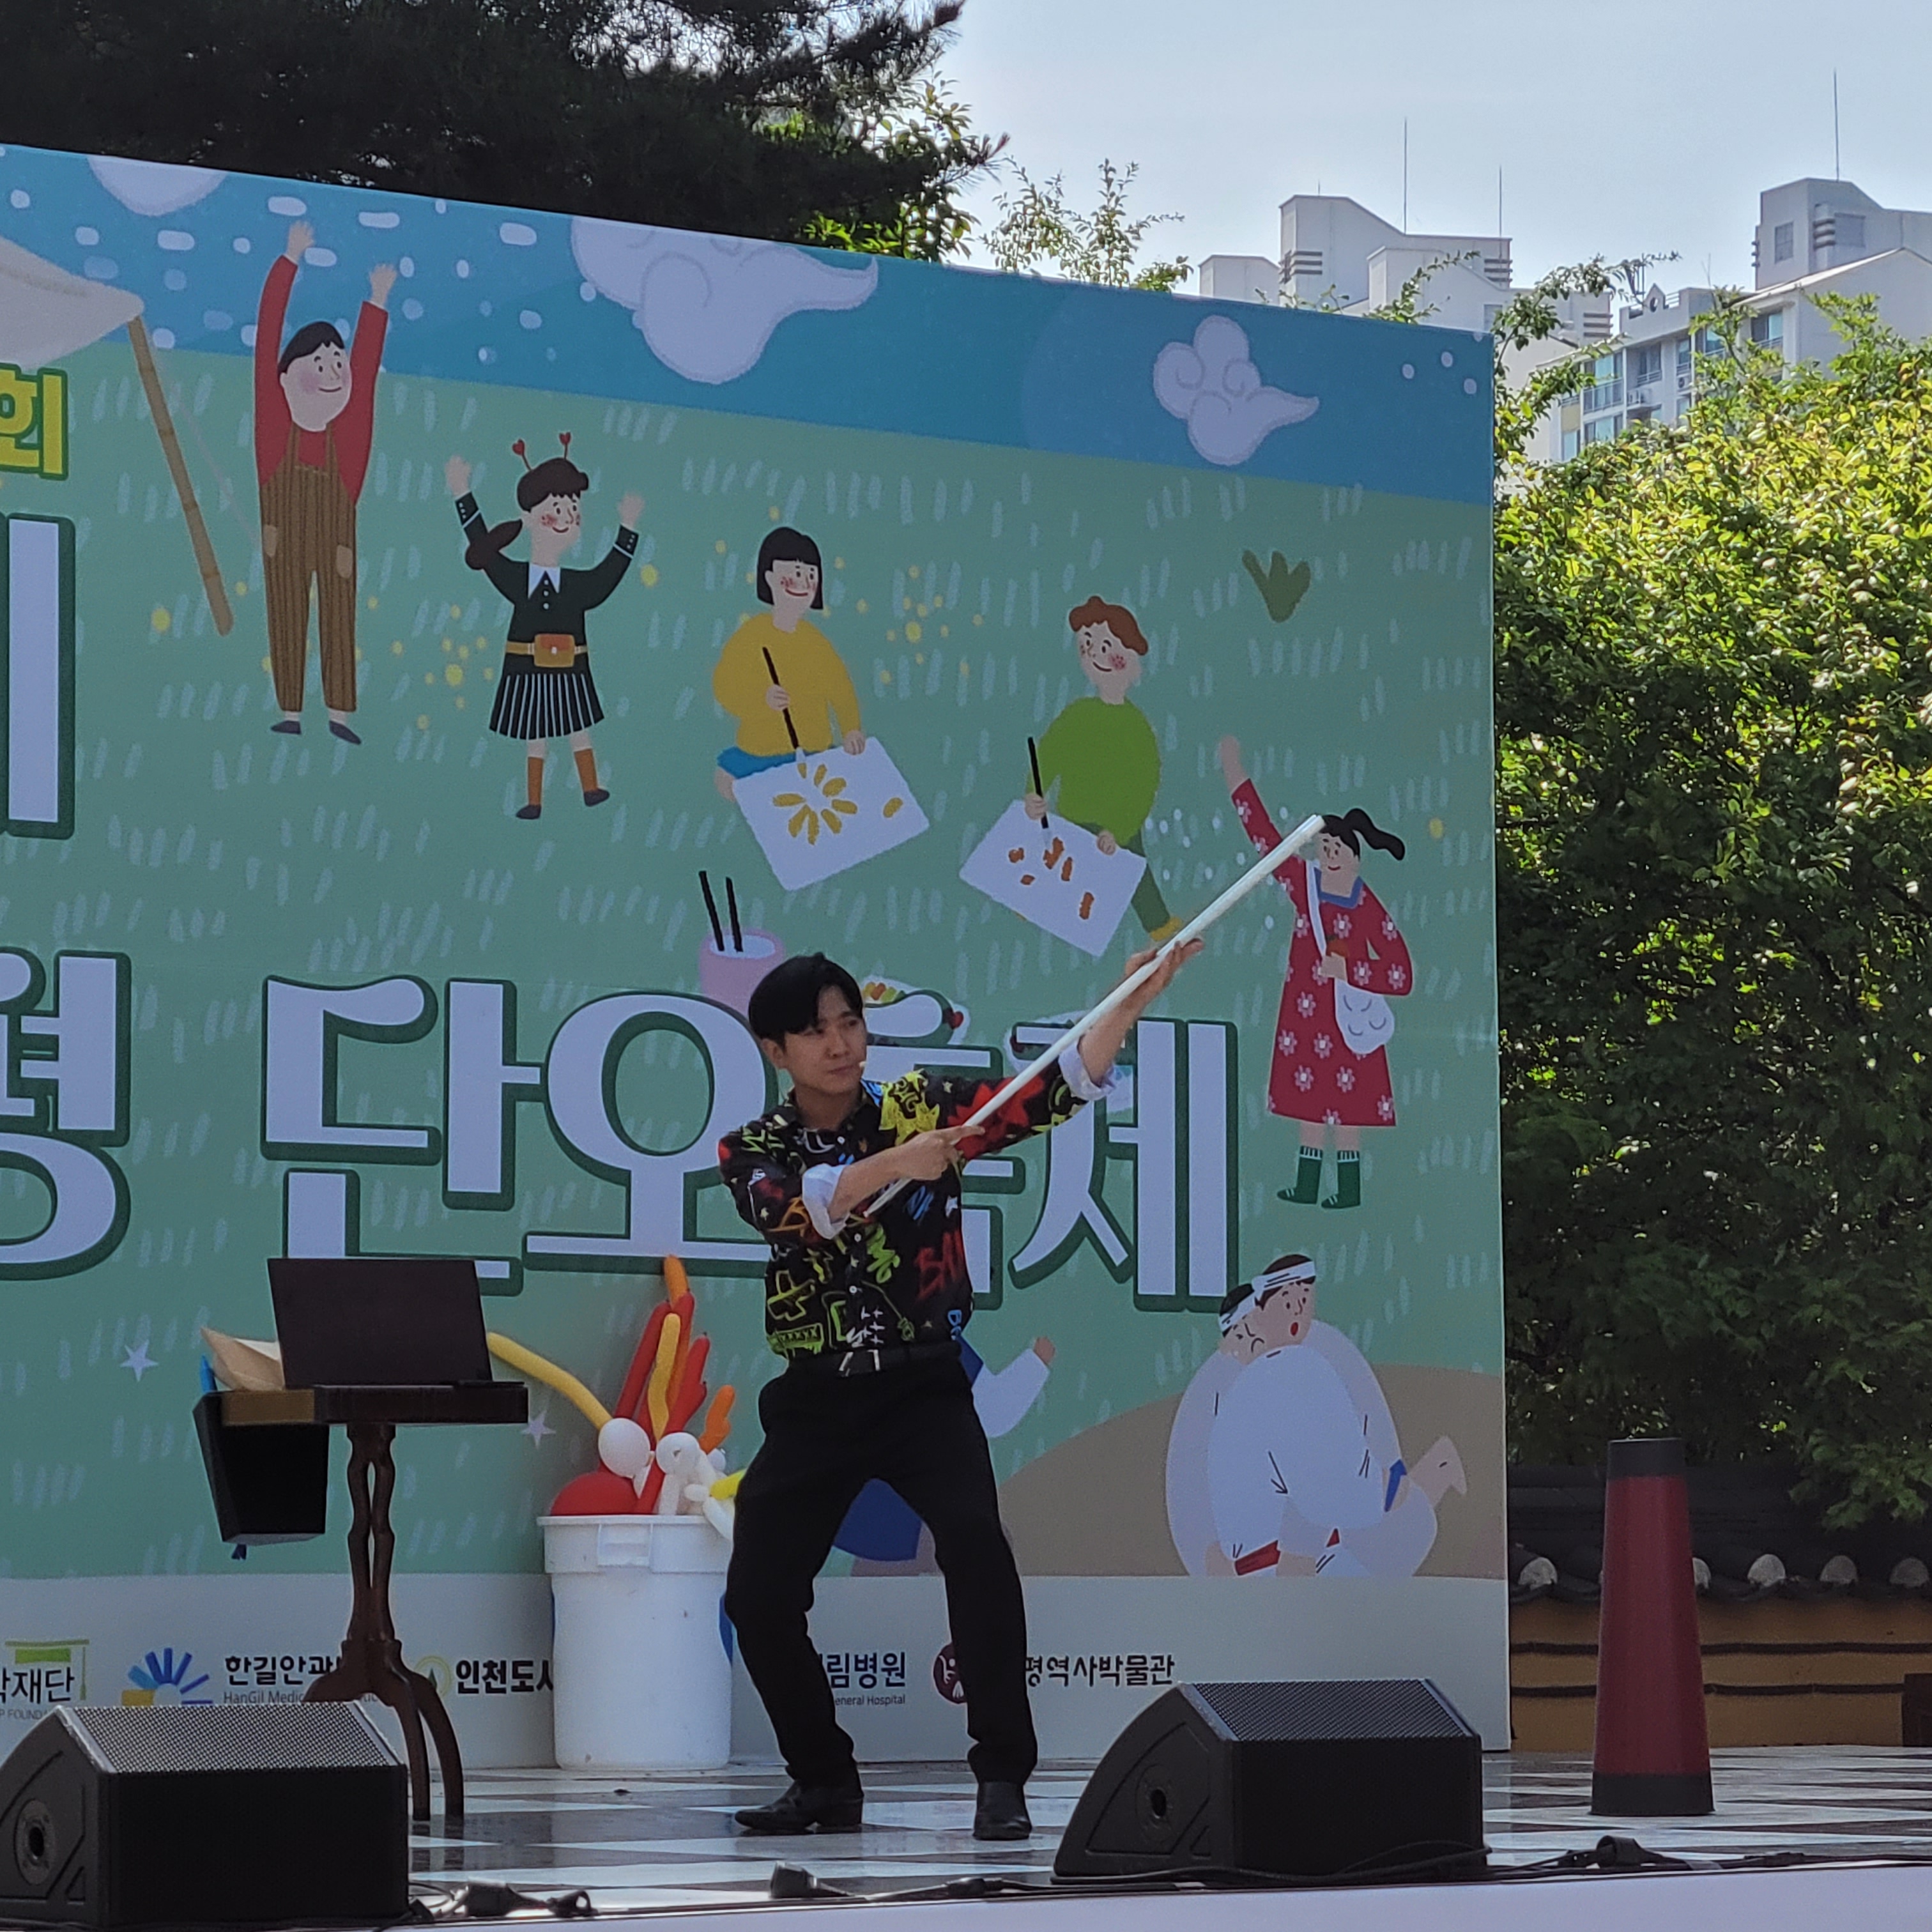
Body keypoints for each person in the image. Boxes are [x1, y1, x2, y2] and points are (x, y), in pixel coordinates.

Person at [717, 942, 1199, 1841]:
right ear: (776, 1050)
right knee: (759, 1595)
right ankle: (822, 1781)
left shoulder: (919, 1103)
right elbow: (793, 1212)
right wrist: (900, 1165)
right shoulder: (754, 1147)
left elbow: (1047, 1093)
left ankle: (1003, 1776)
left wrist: (1127, 1005)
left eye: (850, 1022)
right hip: (817, 1397)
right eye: (815, 1031)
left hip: (924, 1386)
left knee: (977, 1545)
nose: (841, 1044)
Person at [1220, 737, 1411, 1211]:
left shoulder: (1366, 905)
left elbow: (1401, 973)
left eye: (1337, 848)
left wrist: (1352, 969)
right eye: (1323, 846)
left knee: (1349, 1113)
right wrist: (1235, 775)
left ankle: (1348, 1190)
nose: (1329, 854)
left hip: (1350, 1017)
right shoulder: (1304, 885)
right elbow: (1267, 843)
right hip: (1306, 1018)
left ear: (1355, 856)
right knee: (1308, 1105)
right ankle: (1306, 1185)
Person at [1183, 1257, 1464, 1579]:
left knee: (1402, 1526)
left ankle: (1436, 1469)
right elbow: (1334, 1492)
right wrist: (1390, 1488)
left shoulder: (1253, 1387)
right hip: (1295, 1573)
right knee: (1405, 1527)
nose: (1297, 1310)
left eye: (1304, 1299)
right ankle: (1439, 1467)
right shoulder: (1289, 1370)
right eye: (1288, 1300)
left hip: (1278, 1570)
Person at [445, 441, 642, 819]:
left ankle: (591, 786)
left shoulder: (578, 586)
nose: (568, 517)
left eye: (574, 509)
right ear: (532, 516)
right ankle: (534, 800)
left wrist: (628, 528)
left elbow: (607, 578)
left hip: (571, 669)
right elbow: (483, 549)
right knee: (535, 734)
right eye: (558, 508)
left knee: (578, 728)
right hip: (527, 668)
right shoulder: (516, 579)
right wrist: (461, 493)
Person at [254, 221, 394, 742]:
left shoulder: (350, 435)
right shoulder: (274, 425)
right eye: (320, 361)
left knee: (339, 617)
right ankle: (290, 710)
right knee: (286, 612)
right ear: (288, 374)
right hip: (284, 537)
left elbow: (367, 365)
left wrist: (377, 300)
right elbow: (268, 333)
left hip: (336, 542)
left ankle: (340, 714)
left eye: (338, 360)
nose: (335, 369)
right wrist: (289, 260)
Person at [1025, 596, 1181, 940]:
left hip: (1119, 824)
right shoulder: (1078, 715)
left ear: (1131, 655)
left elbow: (1145, 786)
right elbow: (1048, 755)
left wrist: (1118, 832)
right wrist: (1034, 793)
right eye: (1087, 648)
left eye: (1105, 646)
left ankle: (1161, 928)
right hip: (1074, 818)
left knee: (1135, 874)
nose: (1095, 654)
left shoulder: (1137, 728)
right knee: (1064, 872)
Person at [711, 526, 863, 800]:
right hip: (759, 750)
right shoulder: (752, 635)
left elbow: (841, 689)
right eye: (795, 574)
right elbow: (725, 684)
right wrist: (761, 699)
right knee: (727, 780)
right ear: (769, 578)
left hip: (813, 750)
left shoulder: (816, 642)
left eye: (811, 576)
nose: (803, 584)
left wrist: (851, 729)